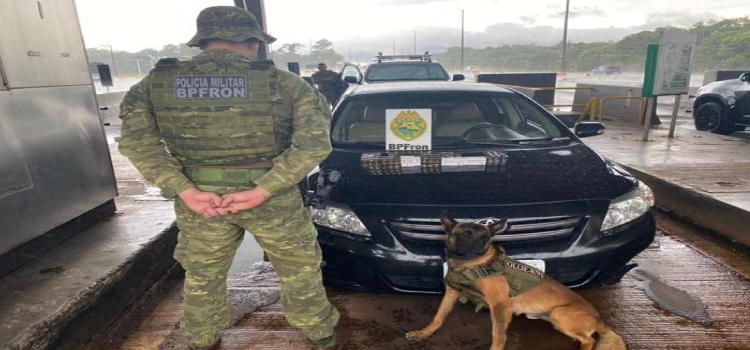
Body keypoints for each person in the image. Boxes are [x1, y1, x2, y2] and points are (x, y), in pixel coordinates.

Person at [117, 6, 344, 350]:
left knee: (203, 275)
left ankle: (200, 339)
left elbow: (138, 143)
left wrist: (185, 190)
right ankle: (321, 335)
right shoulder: (286, 84)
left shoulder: (155, 84)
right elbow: (313, 145)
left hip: (200, 200)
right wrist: (264, 189)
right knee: (299, 271)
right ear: (253, 42)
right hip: (273, 198)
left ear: (202, 41)